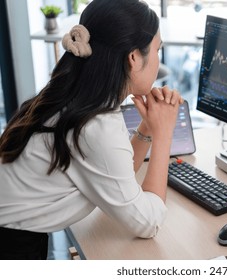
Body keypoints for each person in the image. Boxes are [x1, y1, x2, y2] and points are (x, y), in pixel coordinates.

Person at [0, 0, 183, 260]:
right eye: (156, 50)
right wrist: (165, 135)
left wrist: (148, 128)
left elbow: (116, 174)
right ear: (133, 58)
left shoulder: (81, 100)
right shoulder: (94, 124)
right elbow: (147, 222)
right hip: (11, 245)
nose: (158, 60)